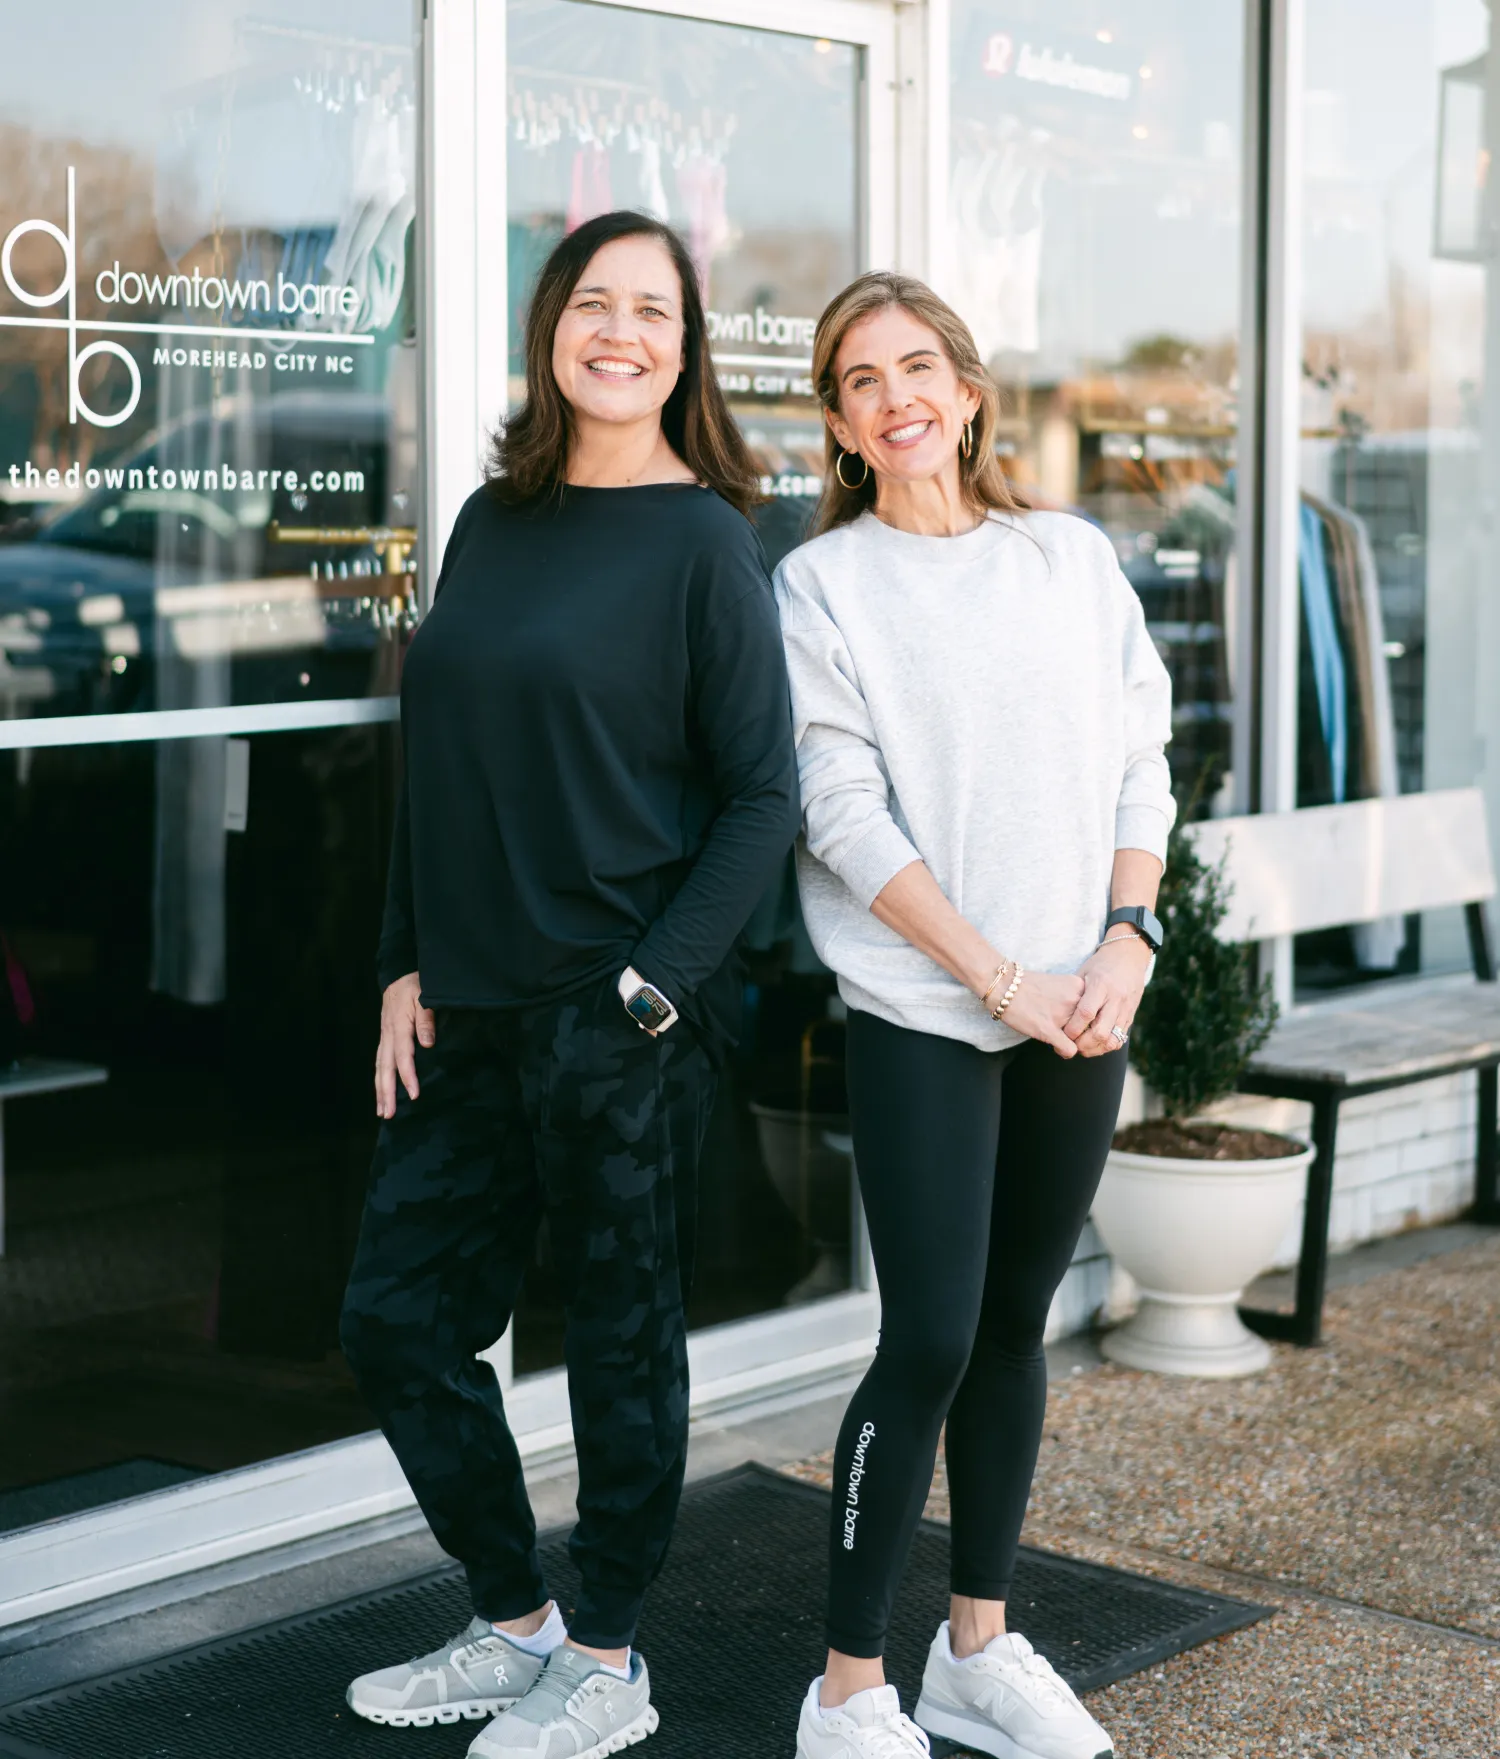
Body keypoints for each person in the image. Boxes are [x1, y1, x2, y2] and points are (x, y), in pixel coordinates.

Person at [338, 210, 799, 1759]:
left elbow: (762, 798)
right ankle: (514, 1619)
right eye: (592, 304)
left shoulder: (706, 542)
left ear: (687, 347)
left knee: (617, 1340)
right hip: (468, 1004)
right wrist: (406, 950)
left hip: (616, 1014)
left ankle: (606, 1657)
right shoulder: (493, 518)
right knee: (398, 1316)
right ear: (551, 330)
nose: (620, 331)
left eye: (653, 311)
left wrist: (655, 992)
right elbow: (439, 758)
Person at [776, 271, 1175, 1759]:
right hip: (927, 1011)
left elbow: (1146, 754)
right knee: (929, 1335)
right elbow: (842, 813)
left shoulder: (1066, 557)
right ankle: (846, 1689)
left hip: (1085, 998)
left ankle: (977, 1650)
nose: (901, 397)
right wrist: (995, 973)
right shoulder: (823, 585)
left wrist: (1127, 937)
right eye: (866, 380)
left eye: (921, 366)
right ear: (838, 422)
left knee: (1018, 1326)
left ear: (972, 388)